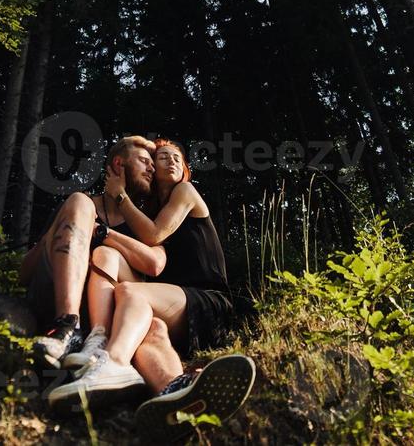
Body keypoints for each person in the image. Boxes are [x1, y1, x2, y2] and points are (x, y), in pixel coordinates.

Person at [49, 138, 254, 429]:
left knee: (131, 294)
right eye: (162, 158)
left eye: (177, 158)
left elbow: (154, 235)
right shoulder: (151, 211)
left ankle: (114, 361)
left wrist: (120, 197)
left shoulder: (184, 192)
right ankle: (177, 394)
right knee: (149, 328)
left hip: (210, 302)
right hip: (173, 309)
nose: (171, 161)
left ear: (185, 170)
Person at [18, 135, 166, 367]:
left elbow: (155, 264)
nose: (151, 168)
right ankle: (66, 327)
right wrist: (55, 235)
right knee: (79, 201)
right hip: (50, 301)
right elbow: (24, 275)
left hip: (110, 316)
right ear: (119, 164)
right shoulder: (78, 207)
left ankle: (92, 344)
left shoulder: (144, 225)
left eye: (152, 165)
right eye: (144, 161)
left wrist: (102, 233)